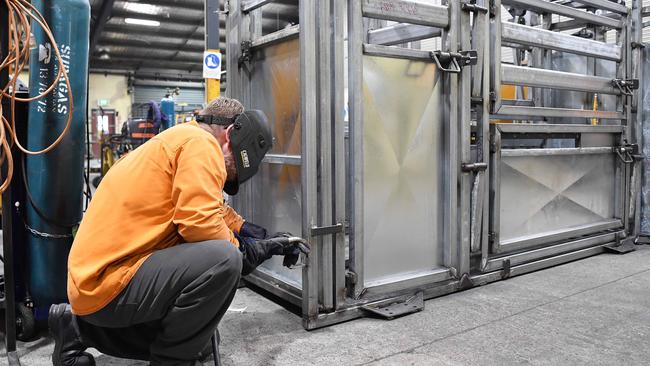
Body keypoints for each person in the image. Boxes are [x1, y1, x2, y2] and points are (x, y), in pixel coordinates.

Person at [49, 97, 310, 366]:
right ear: (231, 133)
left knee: (202, 340)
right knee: (225, 260)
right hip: (107, 283)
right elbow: (199, 222)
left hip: (95, 283)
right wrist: (244, 250)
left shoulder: (181, 139)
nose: (227, 174)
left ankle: (76, 329)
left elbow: (213, 208)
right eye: (232, 165)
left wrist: (255, 234)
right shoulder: (202, 144)